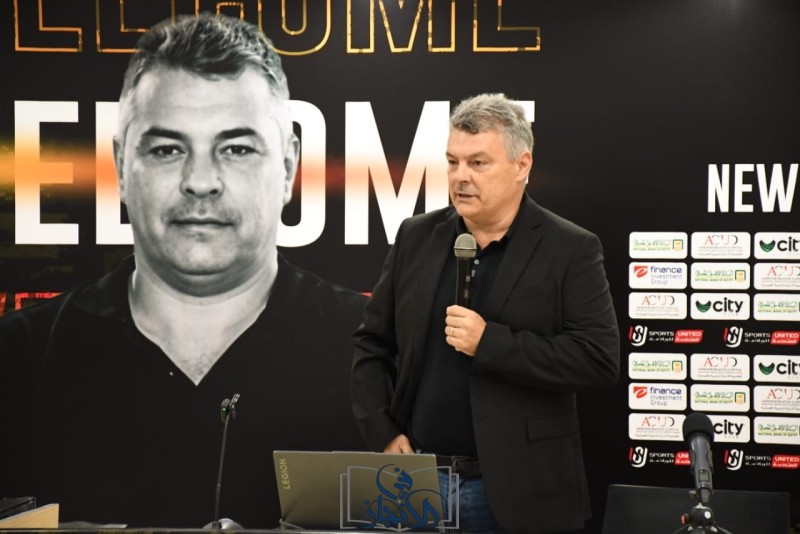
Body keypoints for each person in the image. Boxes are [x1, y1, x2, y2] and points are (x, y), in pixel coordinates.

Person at [0, 14, 366, 528]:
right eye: (168, 149)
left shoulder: (377, 352)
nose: (200, 181)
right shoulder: (18, 359)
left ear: (287, 168)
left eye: (236, 148)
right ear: (121, 165)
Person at [351, 93, 620, 533]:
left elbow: (597, 359)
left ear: (521, 165)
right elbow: (372, 343)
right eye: (452, 162)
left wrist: (489, 342)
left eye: (478, 163)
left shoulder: (570, 248)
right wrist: (382, 430)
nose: (461, 177)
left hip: (519, 493)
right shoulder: (416, 237)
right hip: (416, 482)